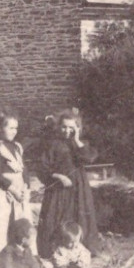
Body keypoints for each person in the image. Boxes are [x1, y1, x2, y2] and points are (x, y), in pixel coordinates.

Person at [37, 110, 103, 259]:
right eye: (64, 127)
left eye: (71, 128)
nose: (67, 131)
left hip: (78, 189)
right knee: (55, 218)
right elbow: (42, 168)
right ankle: (54, 252)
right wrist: (58, 176)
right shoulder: (52, 144)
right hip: (58, 189)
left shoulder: (81, 144)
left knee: (80, 217)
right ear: (59, 126)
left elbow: (89, 158)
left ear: (77, 128)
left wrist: (77, 139)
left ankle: (82, 251)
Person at [0, 113, 32, 256]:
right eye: (10, 128)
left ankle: (21, 256)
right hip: (3, 191)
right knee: (3, 224)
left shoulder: (17, 147)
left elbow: (24, 169)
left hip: (20, 191)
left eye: (16, 128)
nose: (14, 131)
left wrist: (26, 186)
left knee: (20, 223)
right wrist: (13, 189)